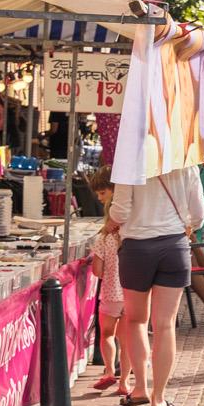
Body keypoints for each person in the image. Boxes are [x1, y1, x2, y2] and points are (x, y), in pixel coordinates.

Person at [109, 161, 204, 406]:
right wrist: (187, 224)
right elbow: (199, 214)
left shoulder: (130, 161)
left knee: (136, 320)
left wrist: (112, 221)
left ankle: (139, 388)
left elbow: (120, 212)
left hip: (137, 247)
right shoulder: (186, 163)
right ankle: (158, 399)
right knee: (165, 325)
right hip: (174, 245)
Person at [90, 168, 125, 393]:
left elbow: (97, 270)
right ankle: (126, 380)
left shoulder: (103, 238)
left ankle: (110, 371)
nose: (99, 198)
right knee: (129, 337)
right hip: (132, 292)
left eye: (102, 193)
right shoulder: (131, 234)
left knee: (107, 334)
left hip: (111, 294)